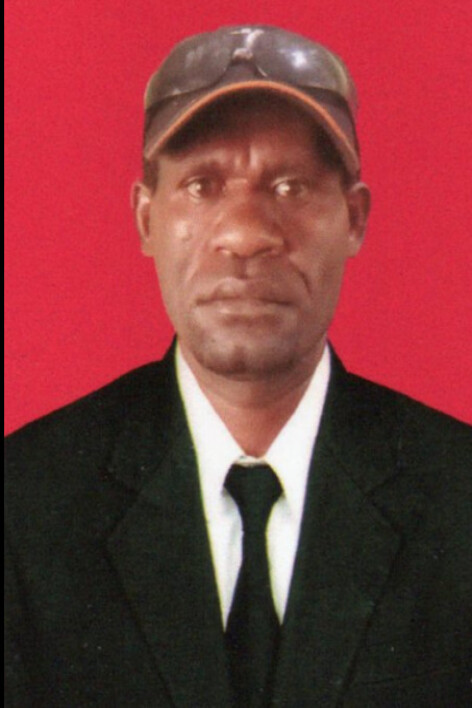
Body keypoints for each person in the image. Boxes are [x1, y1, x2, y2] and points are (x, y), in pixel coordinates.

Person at [4, 25, 471, 708]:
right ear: (145, 220)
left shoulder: (460, 499)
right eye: (202, 185)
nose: (247, 233)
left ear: (354, 218)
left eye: (290, 186)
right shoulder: (25, 506)